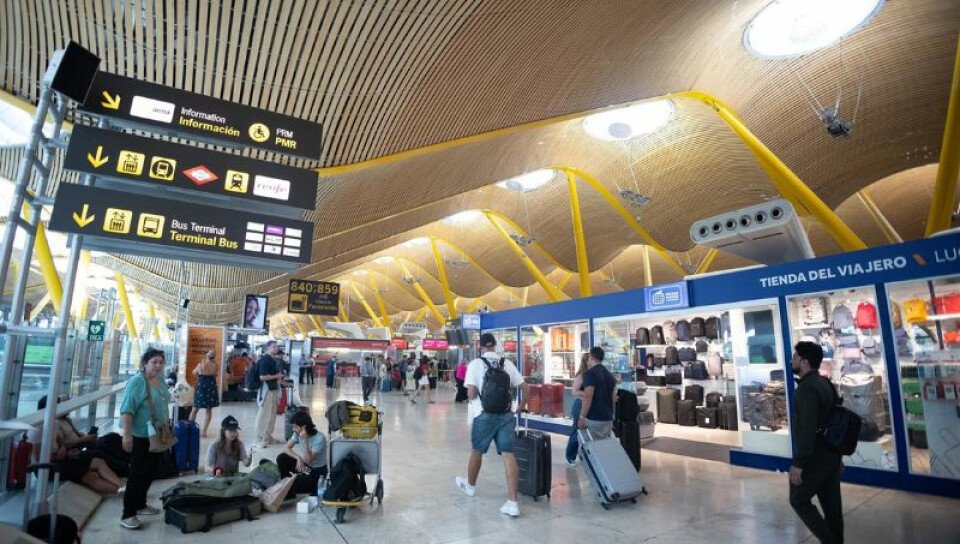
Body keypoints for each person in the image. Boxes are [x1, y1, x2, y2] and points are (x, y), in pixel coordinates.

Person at [455, 333, 529, 517]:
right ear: (495, 345)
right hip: (506, 415)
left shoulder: (475, 364)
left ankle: (470, 486)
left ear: (480, 346)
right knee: (508, 454)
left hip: (484, 415)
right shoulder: (507, 363)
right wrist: (519, 407)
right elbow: (525, 388)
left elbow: (471, 394)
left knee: (477, 451)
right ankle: (512, 503)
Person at [789, 341, 844, 544]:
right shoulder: (825, 384)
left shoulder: (806, 389)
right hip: (831, 456)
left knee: (798, 499)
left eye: (795, 357)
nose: (792, 361)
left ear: (804, 362)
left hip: (815, 457)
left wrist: (799, 463)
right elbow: (836, 422)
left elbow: (808, 429)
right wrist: (838, 456)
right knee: (832, 508)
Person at [119, 348, 172, 530]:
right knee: (137, 474)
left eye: (161, 362)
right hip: (141, 435)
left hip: (158, 434)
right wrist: (127, 435)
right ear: (145, 363)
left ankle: (141, 504)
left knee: (150, 471)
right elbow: (127, 410)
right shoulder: (137, 382)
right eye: (154, 362)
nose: (158, 365)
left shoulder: (160, 380)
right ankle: (128, 514)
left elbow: (164, 400)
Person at [35, 396, 126, 495]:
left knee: (99, 459)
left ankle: (121, 485)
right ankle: (122, 491)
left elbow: (61, 443)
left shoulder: (55, 425)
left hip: (64, 457)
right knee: (92, 475)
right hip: (51, 465)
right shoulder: (39, 430)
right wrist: (64, 454)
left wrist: (64, 449)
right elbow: (39, 459)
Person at [276, 411, 328, 498]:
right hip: (304, 466)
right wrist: (298, 458)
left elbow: (308, 460)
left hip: (316, 471)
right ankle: (287, 487)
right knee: (281, 458)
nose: (293, 429)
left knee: (294, 484)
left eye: (295, 427)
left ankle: (296, 488)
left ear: (303, 427)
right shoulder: (297, 433)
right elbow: (285, 448)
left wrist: (304, 440)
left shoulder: (320, 438)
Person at [577, 347, 617, 439]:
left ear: (591, 358)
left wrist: (582, 417)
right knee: (603, 446)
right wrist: (612, 416)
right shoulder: (609, 375)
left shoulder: (590, 373)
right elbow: (613, 398)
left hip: (594, 419)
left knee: (588, 446)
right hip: (608, 419)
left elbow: (588, 395)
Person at [254, 341, 285, 447]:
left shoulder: (272, 360)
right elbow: (262, 377)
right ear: (267, 348)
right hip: (266, 390)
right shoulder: (265, 360)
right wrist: (277, 376)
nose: (276, 348)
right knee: (264, 414)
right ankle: (259, 438)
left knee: (272, 414)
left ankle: (267, 436)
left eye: (277, 346)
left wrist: (280, 379)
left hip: (273, 389)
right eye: (273, 347)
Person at [565, 353, 590, 466]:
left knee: (586, 431)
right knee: (576, 431)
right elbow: (574, 391)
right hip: (580, 404)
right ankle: (570, 456)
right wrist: (587, 393)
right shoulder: (581, 375)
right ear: (586, 362)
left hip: (588, 404)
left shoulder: (592, 375)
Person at [190, 350, 220, 438]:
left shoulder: (200, 364)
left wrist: (200, 373)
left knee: (195, 409)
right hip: (211, 386)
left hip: (202, 386)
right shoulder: (216, 366)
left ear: (206, 355)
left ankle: (190, 428)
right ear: (214, 356)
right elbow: (215, 374)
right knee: (209, 410)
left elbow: (193, 373)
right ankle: (204, 431)